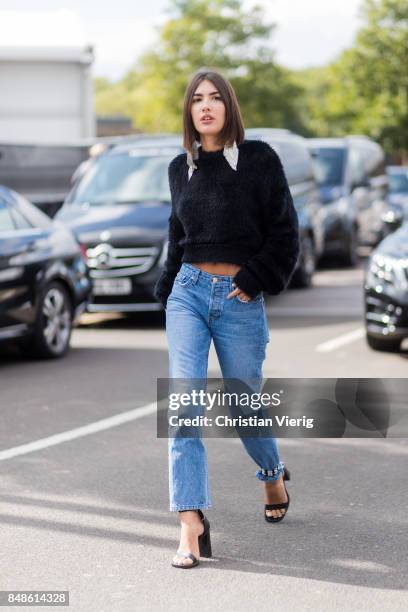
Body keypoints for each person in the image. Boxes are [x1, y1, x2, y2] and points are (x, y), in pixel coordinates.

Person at [154, 69, 300, 569]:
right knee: (184, 406)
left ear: (229, 107)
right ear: (189, 112)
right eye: (198, 99)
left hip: (240, 297)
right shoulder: (181, 167)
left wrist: (257, 276)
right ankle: (190, 522)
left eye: (216, 98)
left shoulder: (259, 160)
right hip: (189, 294)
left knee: (243, 406)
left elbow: (285, 232)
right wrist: (166, 288)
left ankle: (272, 474)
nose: (207, 106)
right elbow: (179, 238)